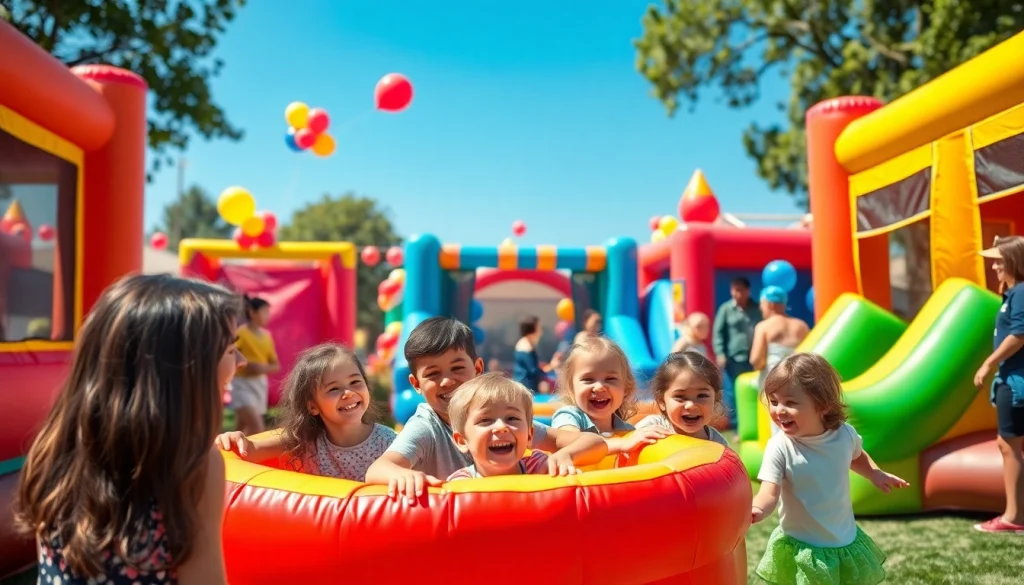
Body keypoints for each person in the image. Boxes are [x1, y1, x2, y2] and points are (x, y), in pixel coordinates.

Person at [16, 274, 245, 584]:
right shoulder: (194, 468)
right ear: (183, 370)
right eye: (231, 350)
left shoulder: (57, 449)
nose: (242, 361)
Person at [363, 317, 608, 504]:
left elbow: (593, 442)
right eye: (433, 374)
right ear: (416, 384)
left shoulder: (501, 418)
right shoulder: (426, 427)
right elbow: (377, 469)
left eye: (457, 368)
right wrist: (405, 476)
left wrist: (565, 455)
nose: (447, 381)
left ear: (478, 368)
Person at [751, 353, 909, 584]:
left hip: (843, 540)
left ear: (823, 406)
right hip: (803, 546)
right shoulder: (780, 447)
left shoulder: (844, 435)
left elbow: (856, 456)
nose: (779, 411)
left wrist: (874, 473)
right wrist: (756, 509)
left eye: (790, 403)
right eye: (774, 402)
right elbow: (769, 492)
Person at [215, 343, 396, 482]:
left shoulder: (387, 442)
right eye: (334, 389)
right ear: (312, 406)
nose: (348, 393)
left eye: (355, 382)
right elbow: (251, 451)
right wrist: (234, 439)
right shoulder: (304, 442)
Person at [973, 235, 1024, 533]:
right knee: (1008, 445)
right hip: (1011, 380)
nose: (994, 266)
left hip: (1016, 381)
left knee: (1009, 445)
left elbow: (1019, 334)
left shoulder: (1020, 293)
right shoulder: (1013, 294)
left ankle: (1014, 518)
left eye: (999, 260)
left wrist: (988, 363)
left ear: (1014, 261)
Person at [551, 336, 670, 455]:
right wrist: (623, 444)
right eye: (588, 379)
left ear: (626, 389)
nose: (599, 387)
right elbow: (569, 442)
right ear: (572, 388)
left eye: (610, 379)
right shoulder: (569, 416)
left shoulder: (627, 431)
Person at [446, 373, 554, 480]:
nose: (501, 427)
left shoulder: (539, 466)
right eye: (485, 420)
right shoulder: (460, 484)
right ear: (462, 441)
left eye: (512, 418)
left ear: (529, 435)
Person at [635, 351, 730, 448]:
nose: (691, 405)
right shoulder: (650, 428)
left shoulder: (718, 445)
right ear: (662, 401)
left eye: (702, 396)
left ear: (715, 399)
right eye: (680, 397)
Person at [751, 285, 810, 436]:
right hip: (799, 379)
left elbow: (756, 360)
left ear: (769, 304)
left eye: (762, 304)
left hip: (774, 381)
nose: (761, 309)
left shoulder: (763, 326)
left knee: (779, 424)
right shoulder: (801, 325)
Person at [712, 277, 762, 428]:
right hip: (734, 359)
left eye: (740, 290)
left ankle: (756, 425)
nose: (737, 294)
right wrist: (720, 353)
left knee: (755, 390)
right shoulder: (726, 309)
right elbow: (718, 333)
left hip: (755, 357)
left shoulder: (757, 308)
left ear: (748, 291)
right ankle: (737, 427)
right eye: (734, 290)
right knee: (733, 393)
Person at [232, 295, 280, 436]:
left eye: (268, 312)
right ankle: (255, 457)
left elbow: (276, 365)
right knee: (256, 427)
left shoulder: (267, 336)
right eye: (264, 312)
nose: (267, 316)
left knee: (241, 427)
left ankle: (228, 452)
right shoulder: (240, 333)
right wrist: (246, 366)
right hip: (242, 385)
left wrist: (261, 369)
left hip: (259, 385)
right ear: (252, 312)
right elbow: (230, 355)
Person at [513, 315, 559, 394]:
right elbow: (534, 371)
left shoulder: (526, 344)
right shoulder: (526, 347)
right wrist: (552, 366)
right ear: (531, 330)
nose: (541, 331)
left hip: (525, 387)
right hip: (525, 388)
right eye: (538, 328)